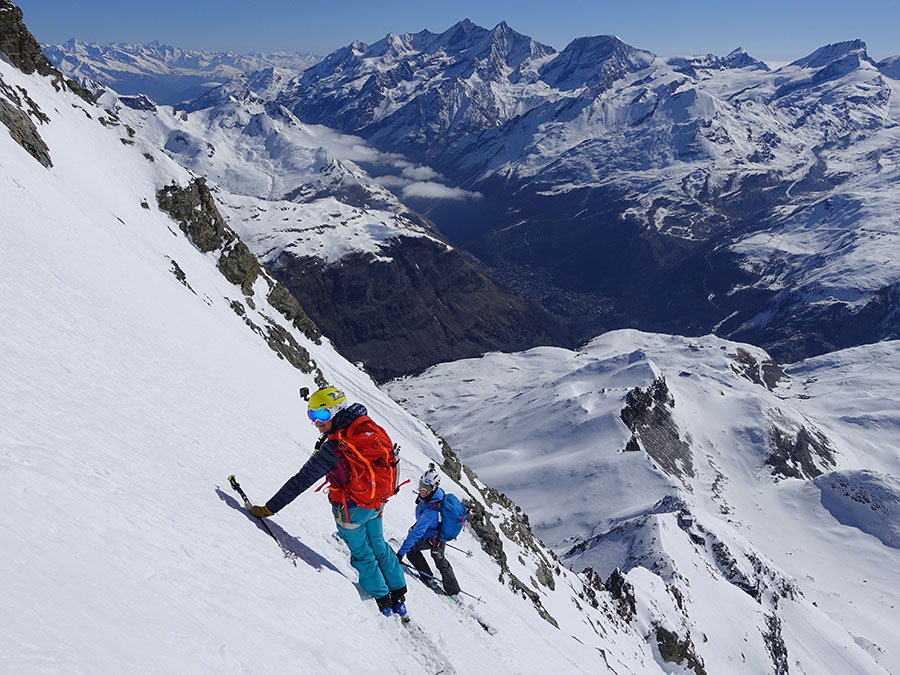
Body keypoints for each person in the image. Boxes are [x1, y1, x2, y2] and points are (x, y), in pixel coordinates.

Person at [247, 386, 408, 617]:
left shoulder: (334, 448)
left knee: (362, 552)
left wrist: (269, 508)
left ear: (336, 411)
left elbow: (301, 480)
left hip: (351, 509)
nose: (316, 422)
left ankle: (382, 599)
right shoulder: (365, 426)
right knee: (379, 545)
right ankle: (399, 593)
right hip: (376, 503)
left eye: (322, 415)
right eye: (311, 415)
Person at [395, 465, 461, 597]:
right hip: (435, 534)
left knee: (413, 551)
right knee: (439, 558)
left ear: (434, 487)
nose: (423, 490)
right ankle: (451, 589)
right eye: (422, 485)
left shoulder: (431, 511)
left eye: (428, 487)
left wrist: (400, 554)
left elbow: (417, 533)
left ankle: (435, 581)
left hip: (434, 537)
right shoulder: (435, 496)